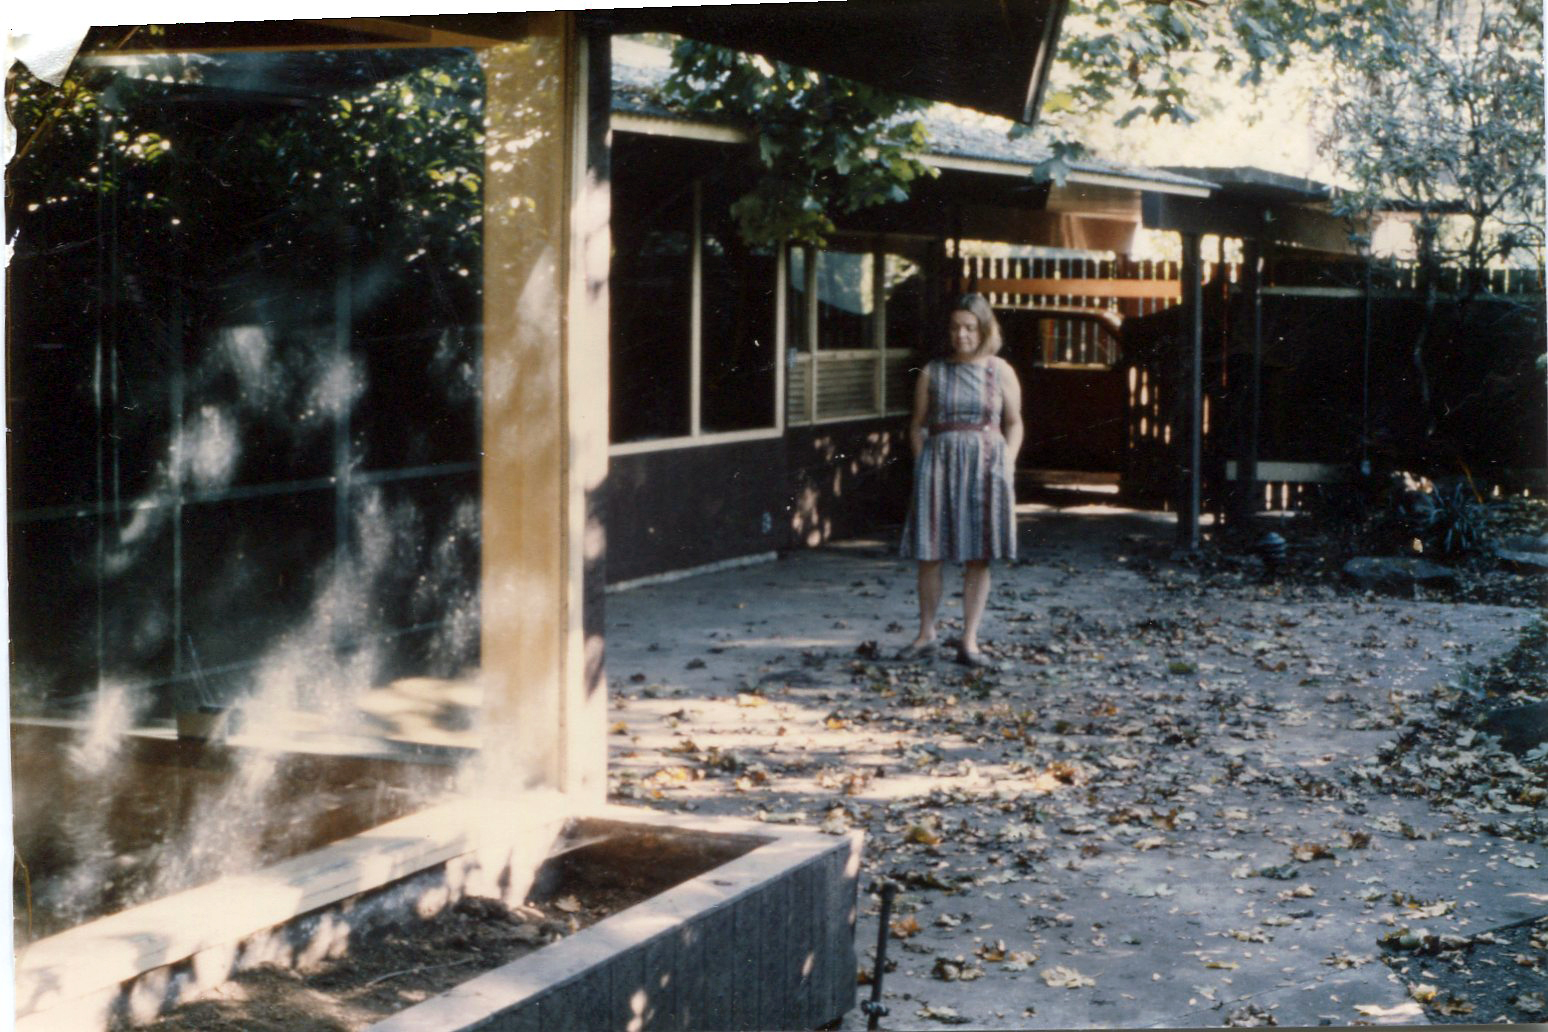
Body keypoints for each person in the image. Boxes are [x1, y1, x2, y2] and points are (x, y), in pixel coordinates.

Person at [897, 293, 1023, 668]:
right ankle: (926, 634)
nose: (962, 335)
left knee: (978, 555)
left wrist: (1008, 465)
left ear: (984, 329)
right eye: (955, 327)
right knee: (930, 553)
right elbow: (918, 424)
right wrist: (924, 464)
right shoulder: (933, 371)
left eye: (969, 327)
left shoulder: (1000, 371)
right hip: (938, 465)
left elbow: (1014, 423)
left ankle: (969, 641)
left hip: (987, 466)